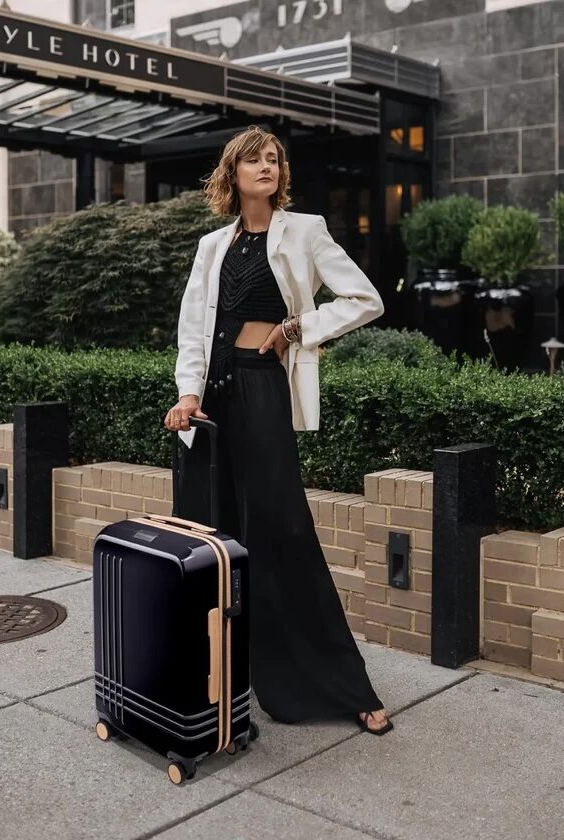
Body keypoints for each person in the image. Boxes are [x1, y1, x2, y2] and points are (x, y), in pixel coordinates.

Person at [164, 125, 393, 736]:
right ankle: (215, 679)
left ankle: (340, 684)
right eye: (253, 159)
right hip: (212, 401)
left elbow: (364, 298)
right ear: (232, 173)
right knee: (213, 536)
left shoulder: (305, 230)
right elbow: (193, 325)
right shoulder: (213, 245)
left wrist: (297, 329)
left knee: (283, 528)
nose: (266, 166)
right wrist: (187, 393)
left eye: (274, 159)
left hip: (263, 391)